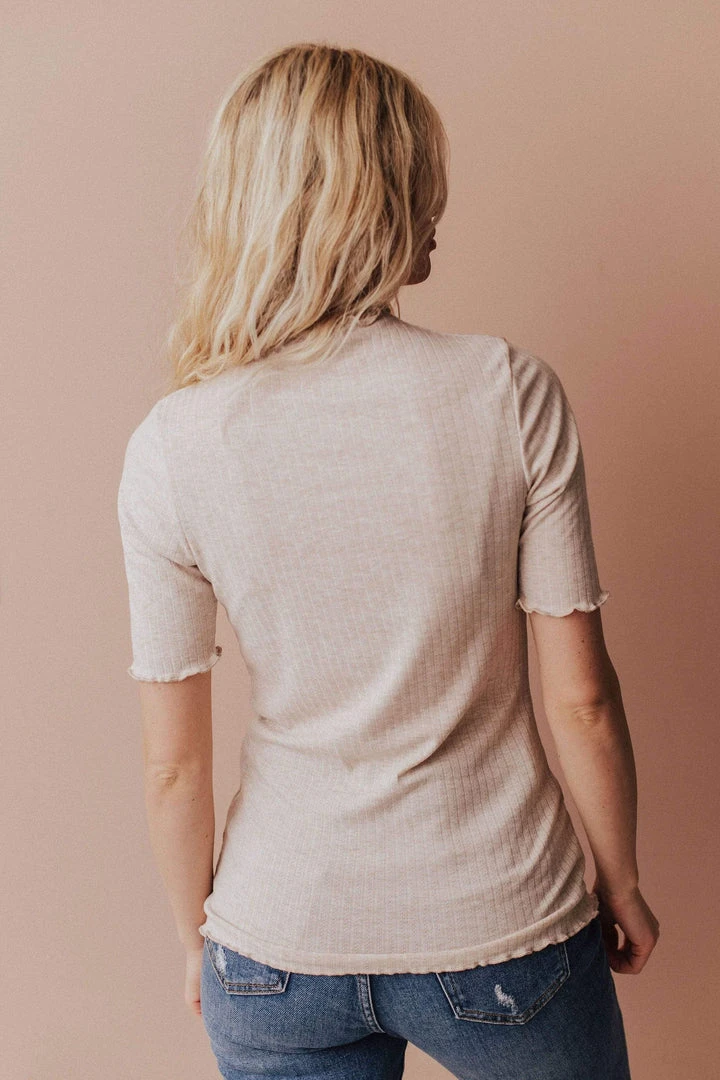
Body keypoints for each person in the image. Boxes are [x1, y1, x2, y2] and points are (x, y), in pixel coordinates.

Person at [117, 41, 659, 1080]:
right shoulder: (507, 393)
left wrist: (199, 937)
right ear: (374, 201)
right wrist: (620, 880)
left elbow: (172, 766)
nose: (438, 206)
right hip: (503, 924)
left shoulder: (172, 444)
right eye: (420, 178)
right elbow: (582, 701)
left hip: (276, 942)